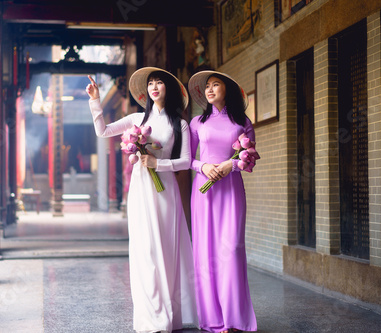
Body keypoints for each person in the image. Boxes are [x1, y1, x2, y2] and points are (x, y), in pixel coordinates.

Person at [86, 67, 198, 333]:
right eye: (151, 83)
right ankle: (151, 317)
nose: (154, 87)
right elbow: (103, 131)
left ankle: (170, 315)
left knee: (166, 252)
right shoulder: (137, 118)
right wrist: (95, 100)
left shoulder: (179, 124)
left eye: (159, 82)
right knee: (145, 251)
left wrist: (159, 164)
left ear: (168, 88)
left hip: (165, 192)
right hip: (140, 190)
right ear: (145, 90)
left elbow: (187, 161)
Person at [187, 70, 257, 333]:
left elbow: (248, 156)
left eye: (216, 85)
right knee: (205, 252)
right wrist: (203, 167)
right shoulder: (197, 123)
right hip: (204, 192)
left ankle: (234, 319)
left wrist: (231, 164)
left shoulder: (242, 122)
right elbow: (188, 159)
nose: (210, 89)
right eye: (207, 87)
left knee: (232, 250)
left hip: (231, 190)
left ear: (227, 89)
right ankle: (213, 320)